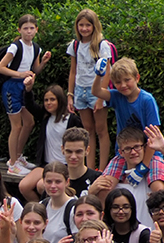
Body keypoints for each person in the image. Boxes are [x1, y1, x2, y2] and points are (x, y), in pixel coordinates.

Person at [0, 15, 50, 176]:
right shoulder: (15, 47)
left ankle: (18, 156)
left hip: (25, 87)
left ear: (36, 30)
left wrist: (44, 62)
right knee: (17, 125)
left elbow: (35, 70)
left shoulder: (36, 48)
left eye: (31, 28)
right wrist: (20, 75)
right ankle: (12, 163)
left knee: (29, 122)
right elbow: (0, 67)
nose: (29, 31)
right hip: (12, 87)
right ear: (19, 30)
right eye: (25, 28)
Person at [65, 9, 116, 169]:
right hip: (80, 89)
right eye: (81, 25)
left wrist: (101, 96)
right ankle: (89, 167)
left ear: (94, 26)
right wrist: (70, 95)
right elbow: (73, 71)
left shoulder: (102, 45)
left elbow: (108, 71)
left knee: (101, 129)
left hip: (96, 90)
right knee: (87, 131)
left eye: (88, 25)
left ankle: (102, 168)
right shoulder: (75, 45)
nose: (85, 28)